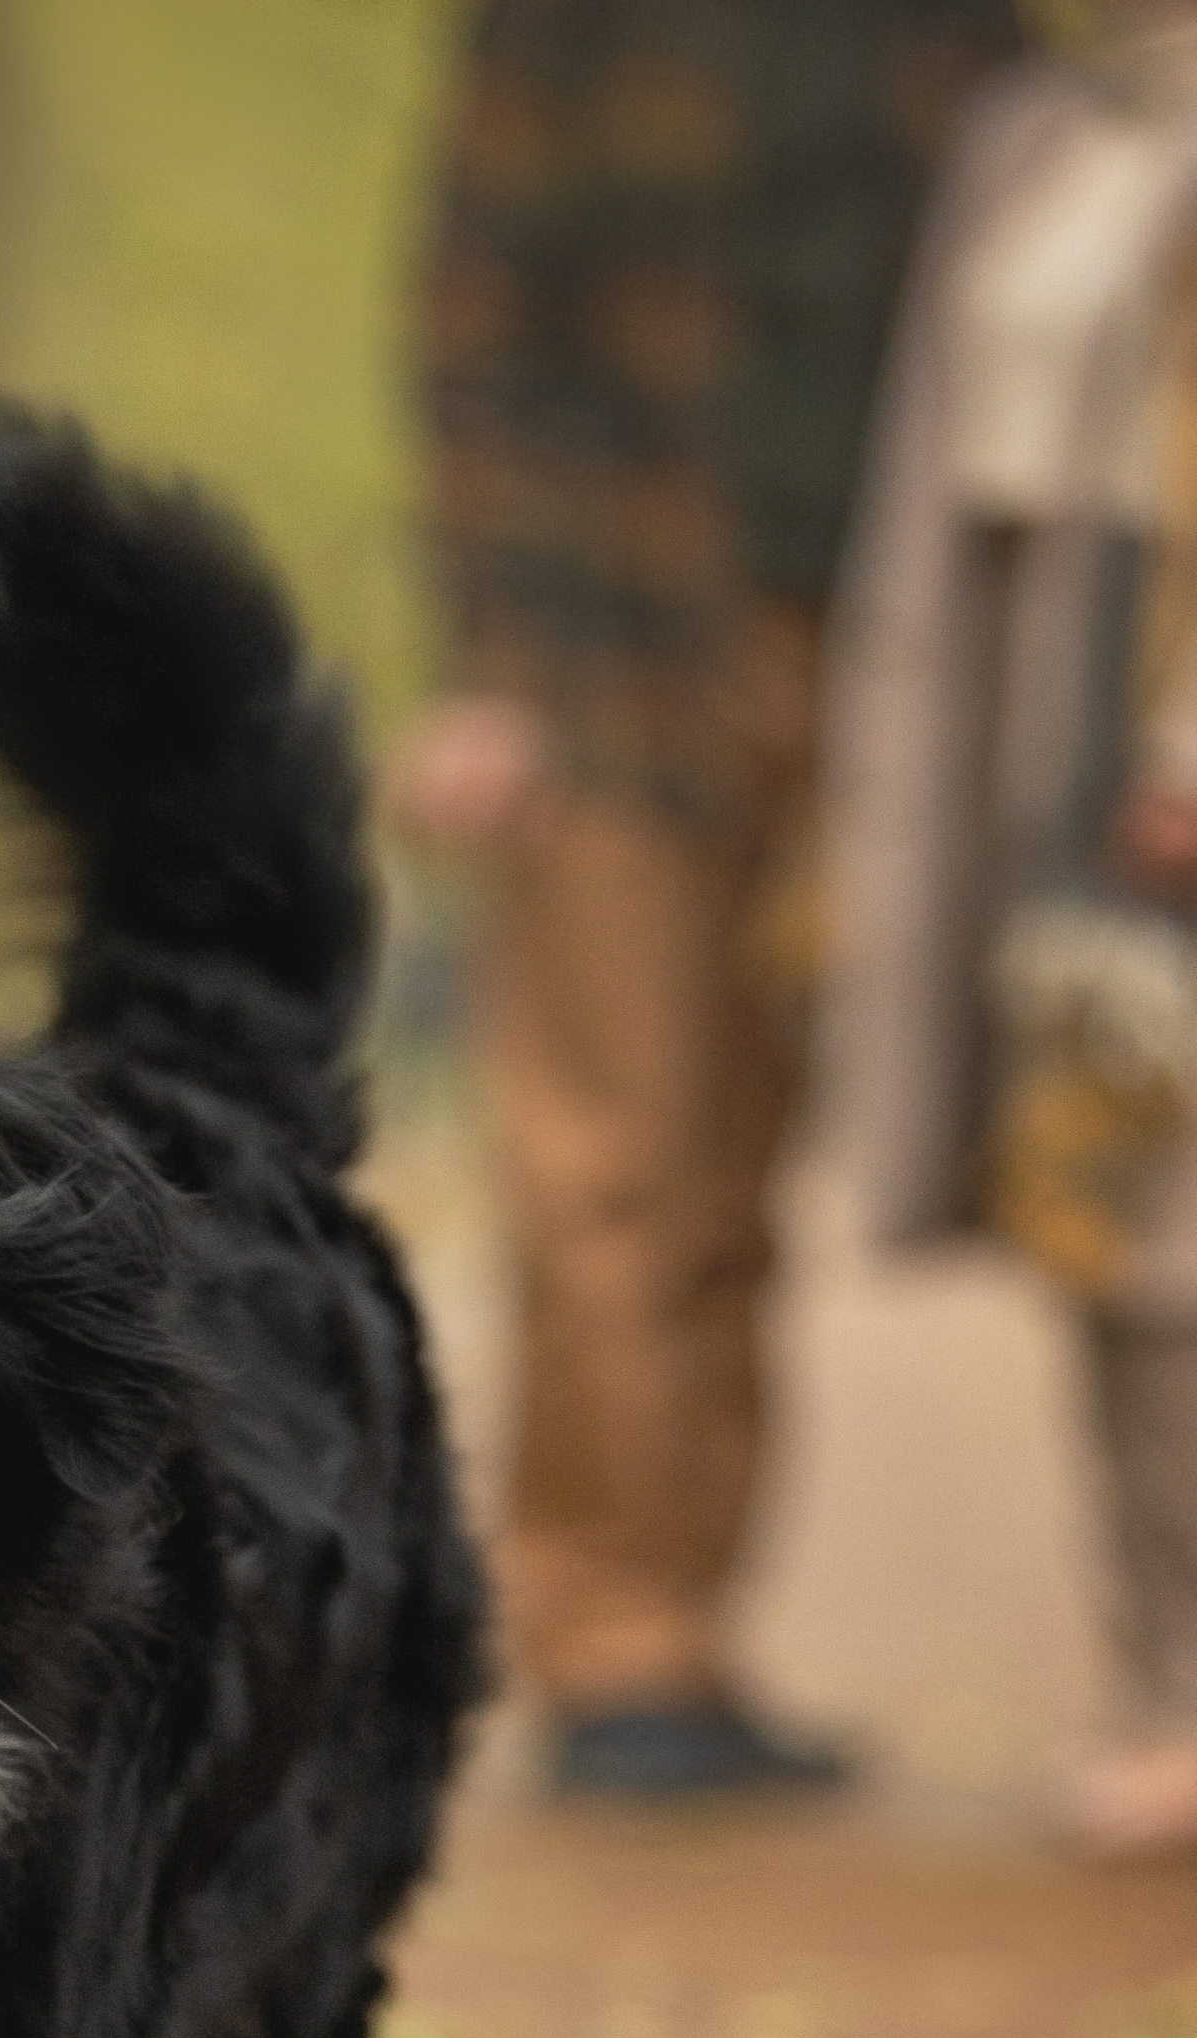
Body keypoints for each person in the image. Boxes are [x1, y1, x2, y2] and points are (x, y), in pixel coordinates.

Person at [391, 0, 1021, 1801]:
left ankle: (693, 1629)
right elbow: (479, 326)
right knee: (612, 1157)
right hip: (619, 655)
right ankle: (614, 1642)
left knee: (748, 1159)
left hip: (908, 643)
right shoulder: (573, 28)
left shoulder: (978, 35)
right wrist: (493, 661)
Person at [827, 0, 1197, 1857]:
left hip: (1167, 727)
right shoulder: (1036, 131)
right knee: (1120, 1234)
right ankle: (1173, 1686)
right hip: (1055, 723)